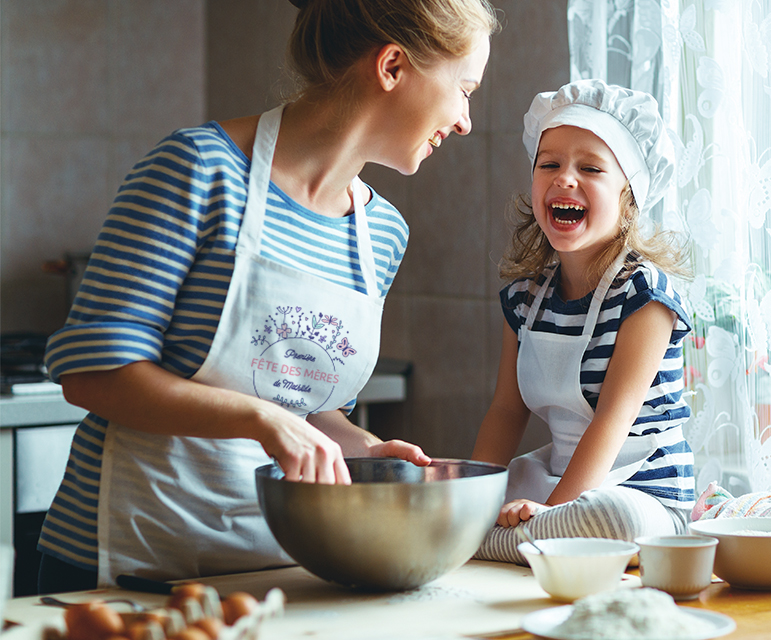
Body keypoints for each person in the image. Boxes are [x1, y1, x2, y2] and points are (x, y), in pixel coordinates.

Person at [38, 0, 499, 593]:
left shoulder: (382, 234)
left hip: (283, 575)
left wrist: (360, 447)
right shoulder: (198, 170)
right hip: (129, 567)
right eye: (464, 89)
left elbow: (298, 400)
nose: (465, 120)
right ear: (391, 66)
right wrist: (264, 421)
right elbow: (93, 374)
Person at [471, 79, 695, 565]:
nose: (564, 178)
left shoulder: (645, 295)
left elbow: (613, 420)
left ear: (629, 197)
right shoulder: (526, 298)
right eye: (548, 164)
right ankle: (508, 537)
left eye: (590, 167)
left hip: (643, 497)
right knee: (461, 492)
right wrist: (471, 498)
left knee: (612, 521)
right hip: (560, 481)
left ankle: (496, 544)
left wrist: (551, 514)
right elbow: (506, 412)